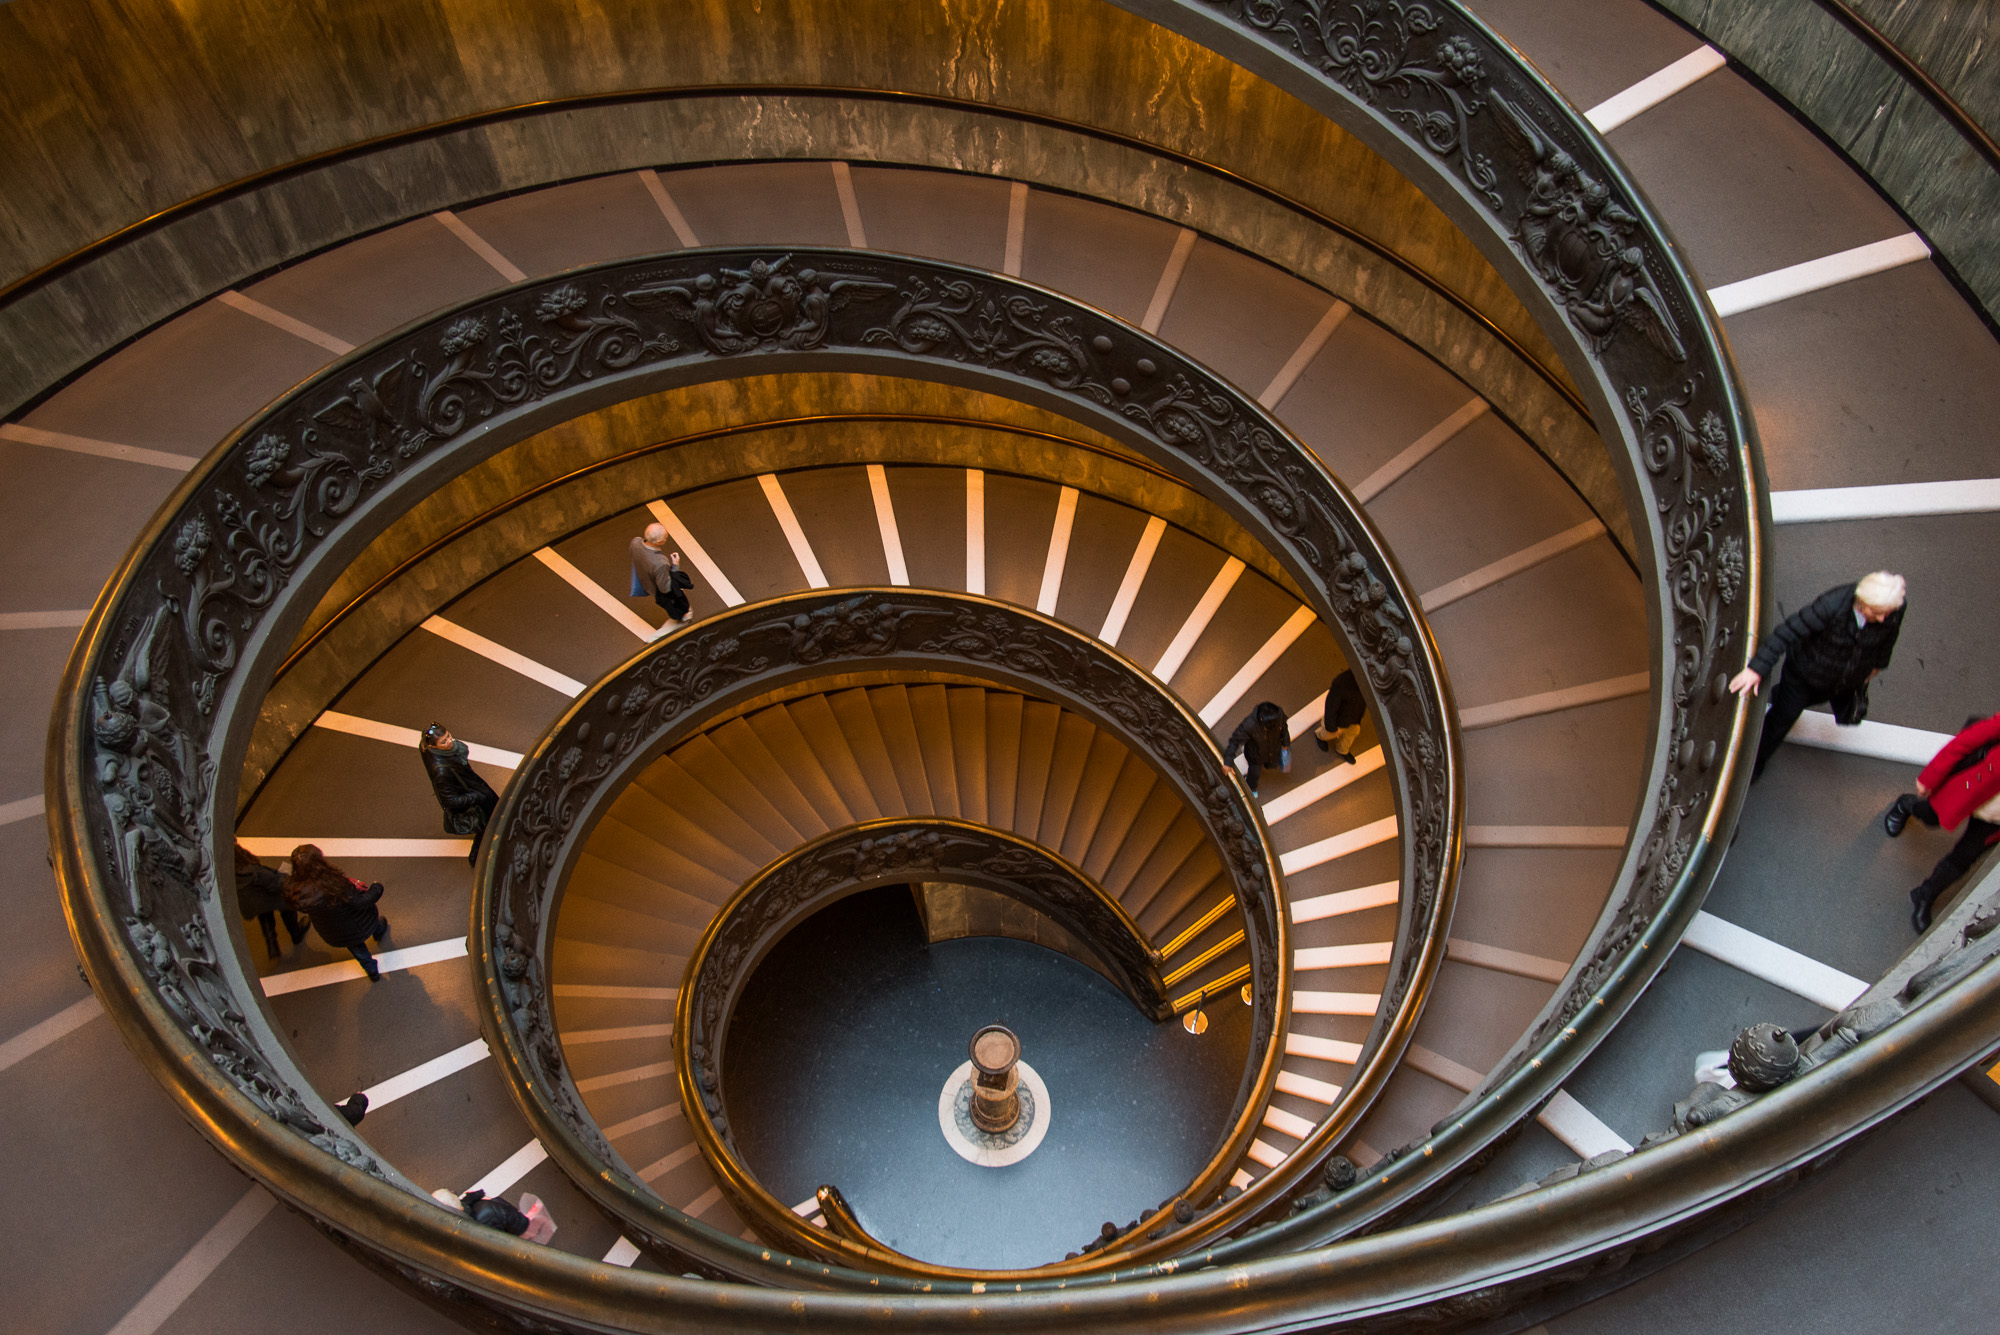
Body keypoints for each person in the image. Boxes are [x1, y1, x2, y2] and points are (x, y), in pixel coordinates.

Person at [1727, 571, 1906, 781]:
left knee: (1805, 702)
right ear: (1861, 600)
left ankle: (1780, 695)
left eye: (1887, 612)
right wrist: (1756, 668)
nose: (1883, 618)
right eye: (1876, 612)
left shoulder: (1893, 607)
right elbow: (1787, 631)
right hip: (1804, 677)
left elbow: (1889, 638)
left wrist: (1876, 668)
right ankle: (1753, 765)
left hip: (1841, 680)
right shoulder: (1831, 606)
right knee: (1780, 722)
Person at [1883, 710, 2000, 932]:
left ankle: (1924, 895)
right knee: (1930, 816)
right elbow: (1967, 741)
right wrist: (1930, 777)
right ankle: (1906, 805)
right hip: (1969, 789)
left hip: (1995, 818)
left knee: (1964, 858)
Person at [284, 844, 392, 981]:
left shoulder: (295, 890)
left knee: (356, 948)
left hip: (333, 930)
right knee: (371, 924)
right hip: (357, 921)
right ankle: (378, 931)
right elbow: (360, 902)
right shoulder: (335, 885)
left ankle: (372, 971)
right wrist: (376, 888)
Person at [421, 723, 499, 865]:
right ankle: (475, 857)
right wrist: (477, 797)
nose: (450, 742)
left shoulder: (428, 749)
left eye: (449, 736)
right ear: (433, 746)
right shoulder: (441, 771)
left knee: (487, 823)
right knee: (485, 824)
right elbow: (450, 801)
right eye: (444, 742)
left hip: (472, 788)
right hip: (473, 796)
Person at [233, 840, 307, 959]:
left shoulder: (234, 875)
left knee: (265, 917)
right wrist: (287, 877)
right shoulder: (253, 871)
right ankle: (296, 933)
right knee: (288, 911)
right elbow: (276, 883)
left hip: (256, 902)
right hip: (274, 897)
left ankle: (272, 945)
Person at [629, 522, 695, 624]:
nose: (666, 539)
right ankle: (685, 618)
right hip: (656, 588)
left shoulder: (635, 542)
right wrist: (675, 565)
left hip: (645, 581)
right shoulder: (661, 563)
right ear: (659, 542)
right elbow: (665, 588)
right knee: (681, 603)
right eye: (665, 538)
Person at [1224, 700, 1290, 799]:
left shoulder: (1277, 716)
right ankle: (1251, 787)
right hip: (1255, 755)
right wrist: (1228, 762)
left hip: (1272, 748)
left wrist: (1285, 742)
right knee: (1254, 774)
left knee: (1271, 763)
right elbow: (1235, 740)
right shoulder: (1249, 725)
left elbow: (1284, 728)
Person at [1314, 669, 1365, 764]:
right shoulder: (1342, 683)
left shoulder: (1363, 685)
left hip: (1353, 720)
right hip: (1338, 721)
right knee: (1327, 733)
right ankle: (1319, 736)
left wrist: (1358, 719)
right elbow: (1331, 706)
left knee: (1352, 734)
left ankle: (1342, 750)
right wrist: (1331, 727)